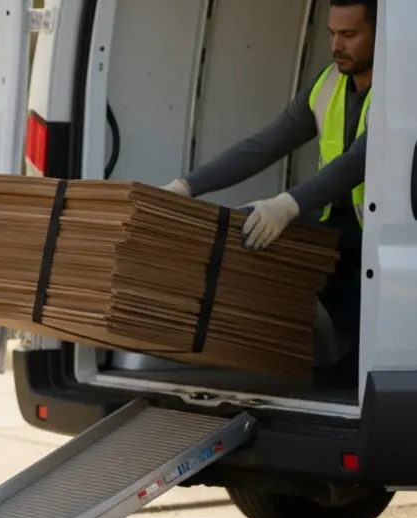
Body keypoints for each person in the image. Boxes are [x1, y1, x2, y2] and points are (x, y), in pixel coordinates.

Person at [161, 0, 375, 375]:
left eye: (350, 35)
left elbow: (357, 161)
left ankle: (344, 364)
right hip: (337, 225)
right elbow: (265, 145)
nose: (336, 46)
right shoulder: (328, 84)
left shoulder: (406, 89)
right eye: (332, 34)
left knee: (276, 219)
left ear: (381, 35)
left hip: (385, 233)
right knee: (247, 224)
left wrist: (287, 204)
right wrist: (186, 186)